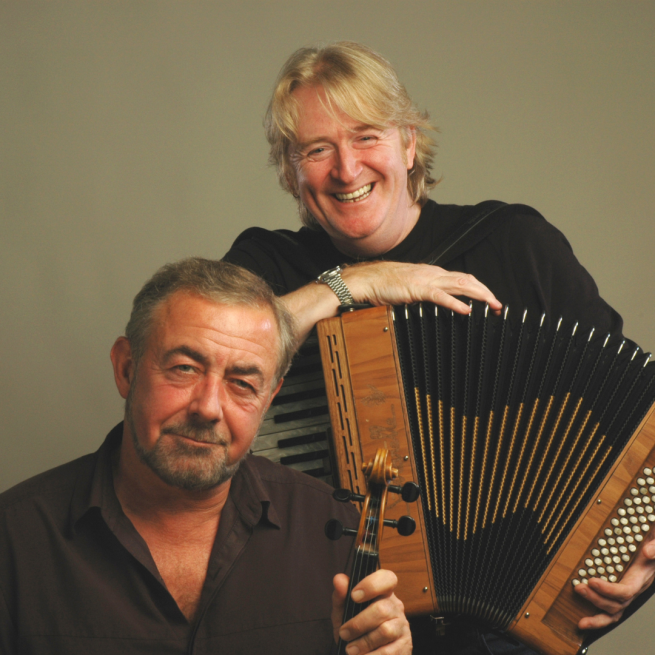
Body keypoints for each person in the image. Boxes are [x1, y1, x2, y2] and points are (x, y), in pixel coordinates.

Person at [222, 41, 655, 653]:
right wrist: (353, 285)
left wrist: (648, 541)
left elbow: (637, 420)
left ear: (407, 142)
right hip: (333, 627)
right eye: (316, 150)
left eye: (366, 137)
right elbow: (209, 363)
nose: (346, 170)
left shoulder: (513, 244)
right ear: (291, 171)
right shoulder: (269, 264)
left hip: (513, 628)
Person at [0, 257, 412, 655]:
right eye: (184, 368)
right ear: (126, 368)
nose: (209, 408)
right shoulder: (13, 540)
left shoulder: (333, 527)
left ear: (269, 399)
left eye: (242, 384)